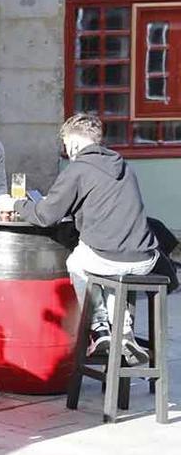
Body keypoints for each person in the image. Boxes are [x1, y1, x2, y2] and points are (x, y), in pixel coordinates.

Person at [16, 114, 159, 366]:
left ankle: (100, 328)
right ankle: (123, 334)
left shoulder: (78, 169)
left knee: (79, 262)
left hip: (110, 259)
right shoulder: (122, 164)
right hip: (146, 258)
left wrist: (18, 204)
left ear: (71, 143)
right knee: (110, 274)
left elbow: (46, 215)